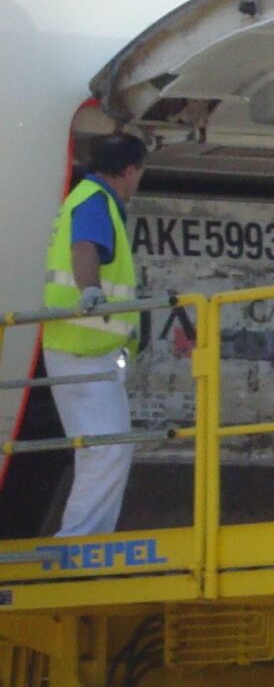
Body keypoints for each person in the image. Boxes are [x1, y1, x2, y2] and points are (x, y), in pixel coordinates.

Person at [42, 135, 148, 539]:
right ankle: (78, 544)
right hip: (84, 352)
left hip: (78, 349)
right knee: (108, 448)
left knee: (101, 449)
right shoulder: (95, 200)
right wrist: (90, 291)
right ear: (129, 171)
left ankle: (84, 541)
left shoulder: (84, 197)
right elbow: (85, 245)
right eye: (139, 174)